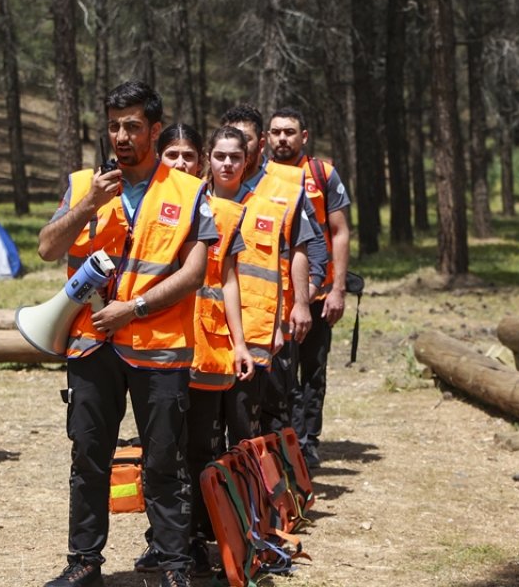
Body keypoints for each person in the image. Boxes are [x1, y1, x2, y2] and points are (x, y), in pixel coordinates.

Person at [37, 80, 217, 587]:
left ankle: (174, 565)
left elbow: (194, 272)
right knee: (88, 458)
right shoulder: (82, 185)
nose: (121, 135)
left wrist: (132, 308)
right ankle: (84, 563)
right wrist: (88, 204)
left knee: (164, 462)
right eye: (114, 125)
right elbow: (48, 249)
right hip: (91, 345)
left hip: (159, 350)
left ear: (155, 130)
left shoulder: (188, 189)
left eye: (132, 126)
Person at [144, 125, 252, 576]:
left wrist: (240, 342)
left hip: (207, 348)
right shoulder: (147, 207)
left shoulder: (224, 213)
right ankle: (163, 541)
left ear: (202, 160)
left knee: (202, 448)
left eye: (189, 155)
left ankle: (200, 542)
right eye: (172, 154)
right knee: (161, 449)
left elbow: (227, 279)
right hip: (155, 344)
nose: (182, 163)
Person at [221, 106, 323, 445]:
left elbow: (307, 247)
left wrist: (303, 303)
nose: (238, 149)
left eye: (245, 140)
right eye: (231, 139)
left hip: (271, 323)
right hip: (219, 321)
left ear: (260, 142)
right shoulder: (211, 183)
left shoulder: (287, 186)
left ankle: (276, 491)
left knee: (273, 413)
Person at [266, 108, 350, 468]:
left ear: (304, 136)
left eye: (289, 132)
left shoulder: (322, 174)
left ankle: (309, 442)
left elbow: (340, 231)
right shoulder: (260, 175)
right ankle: (285, 439)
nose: (282, 138)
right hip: (276, 295)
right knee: (281, 373)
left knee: (313, 370)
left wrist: (338, 290)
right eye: (275, 132)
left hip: (318, 294)